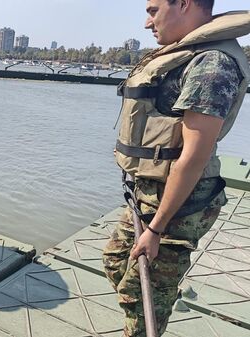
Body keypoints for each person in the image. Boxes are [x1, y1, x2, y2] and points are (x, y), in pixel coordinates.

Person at [103, 1, 250, 336]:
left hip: (181, 204)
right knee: (115, 261)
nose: (147, 22)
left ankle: (159, 298)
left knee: (143, 302)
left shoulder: (212, 64)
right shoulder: (188, 54)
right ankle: (164, 290)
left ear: (183, 4)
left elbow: (193, 157)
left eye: (154, 10)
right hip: (149, 191)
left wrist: (156, 230)